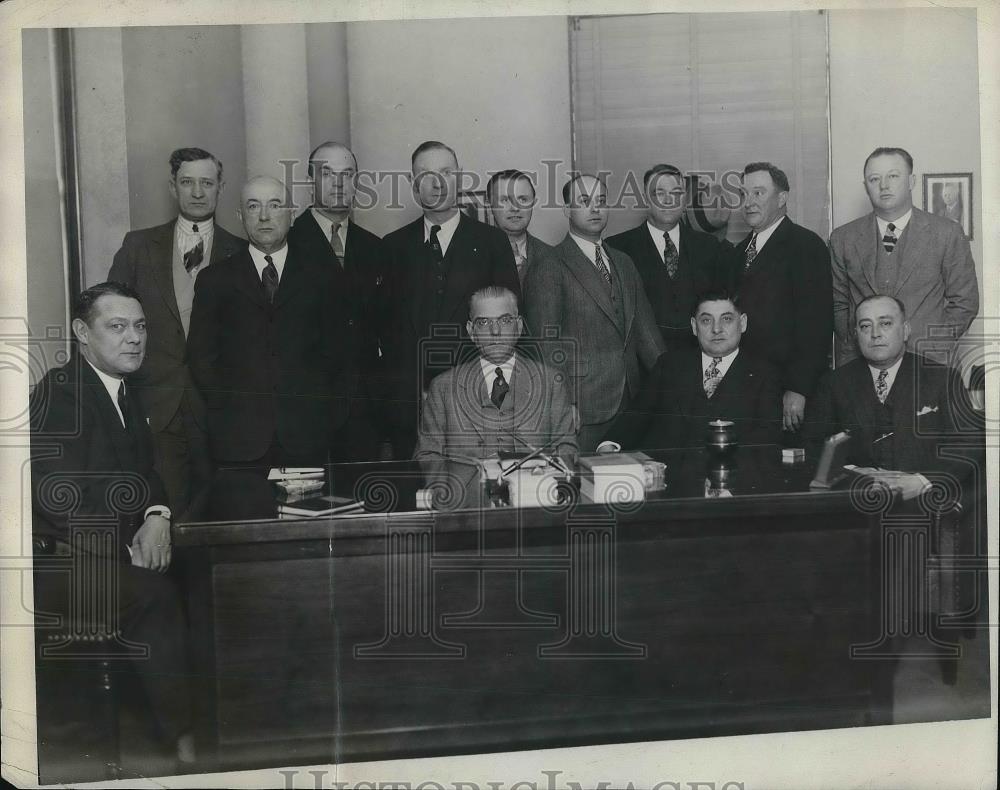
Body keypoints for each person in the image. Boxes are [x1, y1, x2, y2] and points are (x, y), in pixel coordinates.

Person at [30, 282, 194, 765]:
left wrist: (156, 516)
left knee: (201, 568)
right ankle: (185, 743)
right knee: (156, 594)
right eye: (117, 327)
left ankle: (211, 717)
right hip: (57, 563)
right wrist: (132, 552)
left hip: (101, 553)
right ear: (82, 333)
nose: (134, 338)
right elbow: (62, 505)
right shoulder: (61, 395)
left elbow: (148, 476)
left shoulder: (125, 389)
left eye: (140, 326)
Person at [108, 147, 245, 520]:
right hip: (155, 405)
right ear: (173, 187)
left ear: (221, 188)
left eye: (207, 183)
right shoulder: (138, 247)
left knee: (217, 516)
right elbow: (110, 322)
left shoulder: (242, 252)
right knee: (163, 512)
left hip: (218, 410)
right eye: (187, 182)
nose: (197, 192)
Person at [188, 176, 340, 469]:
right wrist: (230, 411)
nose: (265, 216)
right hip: (237, 441)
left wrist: (322, 414)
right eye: (253, 206)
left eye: (275, 205)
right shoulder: (214, 279)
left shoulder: (323, 276)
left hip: (307, 439)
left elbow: (339, 356)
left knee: (307, 515)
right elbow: (201, 357)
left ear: (292, 214)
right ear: (240, 216)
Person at [382, 141, 521, 458]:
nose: (437, 182)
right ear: (413, 184)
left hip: (478, 404)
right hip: (410, 409)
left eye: (446, 172)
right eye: (425, 174)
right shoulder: (392, 247)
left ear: (459, 178)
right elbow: (386, 332)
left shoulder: (491, 242)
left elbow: (509, 326)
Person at [522, 174, 664, 452]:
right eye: (584, 201)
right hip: (581, 411)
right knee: (584, 490)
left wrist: (675, 386)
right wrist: (563, 405)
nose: (595, 208)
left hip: (631, 404)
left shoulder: (623, 262)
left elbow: (647, 336)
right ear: (567, 210)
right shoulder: (549, 264)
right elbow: (545, 344)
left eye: (601, 201)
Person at [829, 147, 978, 365]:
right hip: (859, 366)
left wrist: (934, 345)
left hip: (926, 363)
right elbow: (838, 304)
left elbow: (965, 302)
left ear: (911, 182)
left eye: (893, 176)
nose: (884, 185)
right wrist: (856, 343)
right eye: (874, 179)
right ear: (866, 187)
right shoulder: (843, 238)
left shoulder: (946, 233)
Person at [805, 295, 979, 476]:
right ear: (856, 335)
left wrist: (922, 482)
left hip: (925, 498)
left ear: (905, 331)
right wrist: (854, 473)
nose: (875, 334)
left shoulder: (944, 379)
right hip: (856, 495)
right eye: (865, 326)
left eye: (885, 323)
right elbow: (813, 446)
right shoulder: (834, 384)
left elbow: (967, 447)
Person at [287, 140, 386, 460]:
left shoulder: (373, 248)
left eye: (348, 174)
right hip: (303, 411)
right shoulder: (285, 241)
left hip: (363, 414)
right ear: (310, 180)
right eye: (328, 174)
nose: (339, 183)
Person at [599, 289, 781, 450]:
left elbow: (766, 442)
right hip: (673, 483)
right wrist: (608, 445)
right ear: (694, 326)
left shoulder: (764, 374)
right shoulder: (669, 366)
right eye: (706, 320)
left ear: (742, 323)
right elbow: (636, 417)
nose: (716, 329)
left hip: (731, 483)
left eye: (726, 319)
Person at [726, 161, 832, 434]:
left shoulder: (806, 246)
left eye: (758, 193)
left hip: (786, 392)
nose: (748, 202)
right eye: (743, 194)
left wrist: (798, 388)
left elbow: (816, 326)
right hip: (746, 390)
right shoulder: (738, 253)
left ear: (782, 198)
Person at [415, 285, 577, 462]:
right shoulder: (442, 387)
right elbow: (427, 455)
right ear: (471, 331)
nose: (495, 331)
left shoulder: (551, 383)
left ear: (519, 326)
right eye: (484, 322)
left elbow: (566, 449)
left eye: (505, 320)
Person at [607, 163, 727, 351]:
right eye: (659, 193)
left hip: (698, 363)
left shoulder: (709, 247)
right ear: (646, 199)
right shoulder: (617, 248)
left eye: (676, 193)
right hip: (642, 369)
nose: (669, 200)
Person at [485, 168, 554, 285]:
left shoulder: (553, 257)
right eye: (505, 200)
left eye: (523, 199)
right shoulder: (471, 257)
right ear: (489, 205)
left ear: (533, 203)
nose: (515, 208)